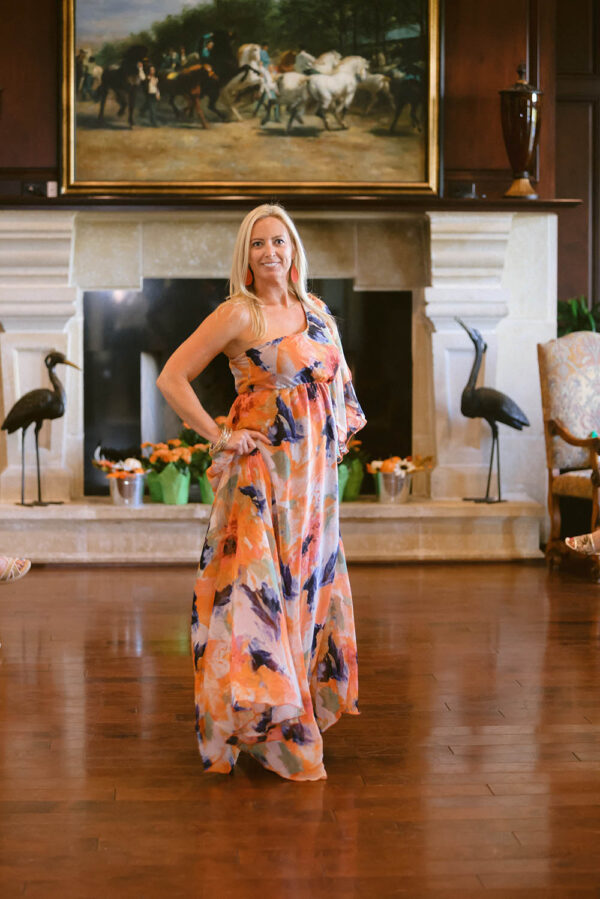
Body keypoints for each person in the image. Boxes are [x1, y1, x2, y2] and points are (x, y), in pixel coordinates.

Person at [157, 204, 366, 781]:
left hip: (314, 489)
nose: (270, 251)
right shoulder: (237, 314)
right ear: (245, 258)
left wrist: (323, 457)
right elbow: (171, 377)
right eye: (258, 244)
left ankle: (290, 713)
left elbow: (338, 393)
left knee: (305, 593)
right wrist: (222, 433)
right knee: (260, 599)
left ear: (294, 250)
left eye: (279, 241)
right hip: (262, 485)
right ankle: (281, 736)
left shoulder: (317, 310)